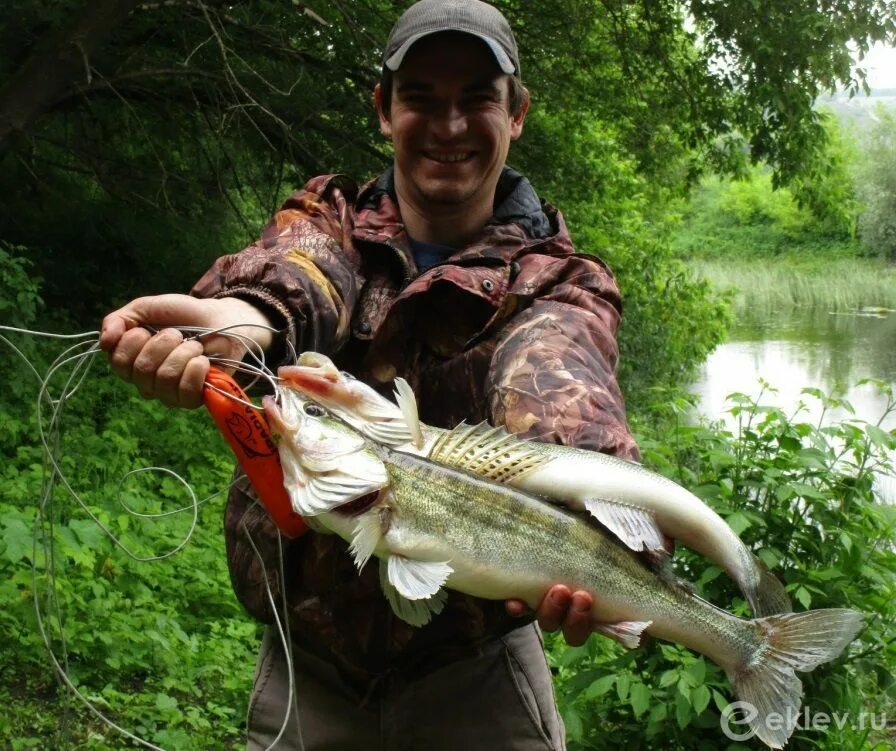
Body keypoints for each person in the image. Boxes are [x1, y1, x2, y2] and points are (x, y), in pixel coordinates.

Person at [100, 1, 639, 748]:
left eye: (477, 97)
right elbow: (303, 270)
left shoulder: (555, 280)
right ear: (383, 109)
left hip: (478, 682)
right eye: (420, 96)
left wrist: (602, 511)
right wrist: (247, 318)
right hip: (306, 677)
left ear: (517, 113)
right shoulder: (329, 217)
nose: (449, 125)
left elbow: (558, 377)